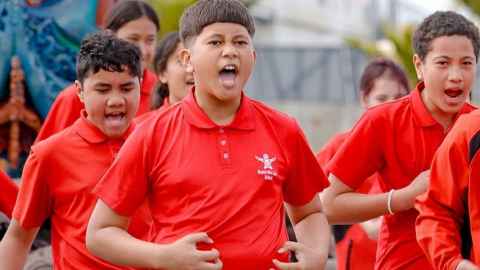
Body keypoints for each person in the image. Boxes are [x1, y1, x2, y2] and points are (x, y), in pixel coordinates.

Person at [86, 1, 331, 270]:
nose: (230, 51)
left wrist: (316, 256)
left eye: (240, 42)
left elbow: (309, 212)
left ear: (254, 56)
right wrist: (162, 257)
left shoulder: (284, 129)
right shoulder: (152, 133)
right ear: (187, 60)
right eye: (215, 42)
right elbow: (100, 233)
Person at [321, 10, 479, 270]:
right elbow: (328, 204)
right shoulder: (383, 120)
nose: (456, 75)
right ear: (418, 66)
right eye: (443, 63)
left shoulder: (476, 126)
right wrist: (402, 198)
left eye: (466, 63)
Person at [0, 31, 145, 269]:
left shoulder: (155, 142)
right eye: (103, 89)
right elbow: (18, 237)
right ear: (79, 90)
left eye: (127, 88)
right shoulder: (50, 154)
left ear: (140, 85)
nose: (116, 100)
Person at [317, 57, 410, 270]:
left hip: (404, 258)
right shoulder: (341, 145)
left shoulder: (416, 144)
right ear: (364, 99)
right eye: (381, 98)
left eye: (399, 97)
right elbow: (307, 195)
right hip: (357, 257)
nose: (390, 105)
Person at [35, 0, 160, 143]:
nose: (142, 50)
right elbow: (47, 156)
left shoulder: (163, 91)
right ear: (110, 36)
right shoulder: (72, 98)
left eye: (150, 40)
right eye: (133, 39)